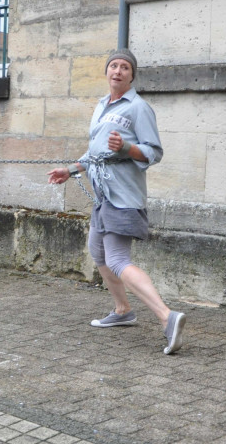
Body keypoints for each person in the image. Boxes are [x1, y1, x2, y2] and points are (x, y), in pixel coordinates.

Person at [47, 48, 185, 354]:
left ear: (132, 75)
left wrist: (126, 147)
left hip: (123, 195)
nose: (118, 71)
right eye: (113, 66)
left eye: (124, 67)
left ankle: (166, 317)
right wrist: (69, 170)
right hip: (103, 195)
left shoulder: (138, 108)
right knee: (98, 251)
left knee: (118, 259)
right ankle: (123, 310)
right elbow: (95, 152)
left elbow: (154, 152)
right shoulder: (101, 106)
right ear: (107, 72)